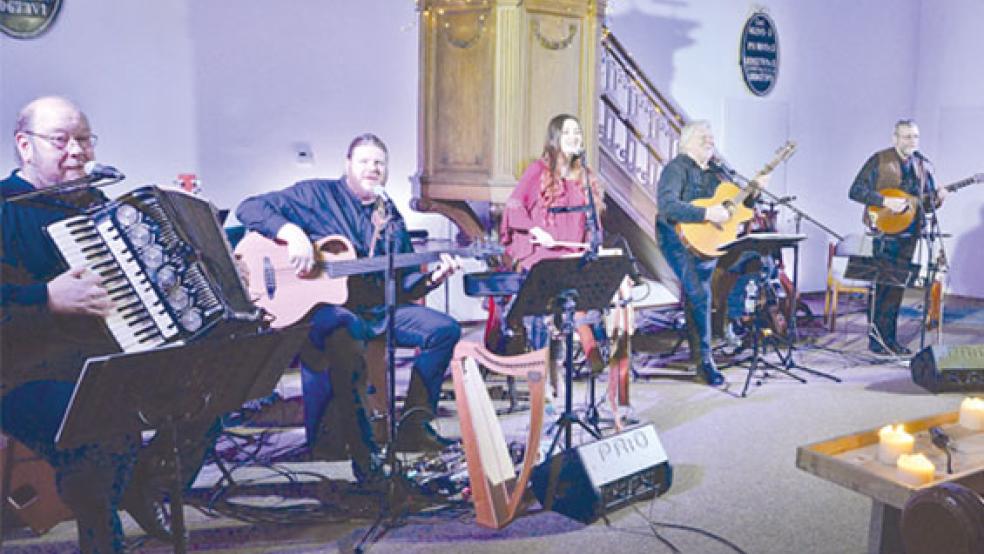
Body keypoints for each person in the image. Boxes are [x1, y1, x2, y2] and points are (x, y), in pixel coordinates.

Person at [0, 96, 171, 552]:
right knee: (102, 432)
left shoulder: (98, 204)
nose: (77, 151)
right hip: (23, 377)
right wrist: (45, 299)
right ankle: (102, 537)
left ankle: (139, 483)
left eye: (83, 139)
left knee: (207, 399)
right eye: (61, 140)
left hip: (108, 363)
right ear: (25, 145)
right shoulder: (2, 208)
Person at [236, 133, 462, 459]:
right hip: (332, 311)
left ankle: (415, 426)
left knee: (444, 330)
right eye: (365, 161)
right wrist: (292, 233)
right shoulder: (317, 195)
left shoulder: (390, 216)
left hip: (377, 311)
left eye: (379, 163)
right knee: (344, 329)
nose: (372, 168)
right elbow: (250, 208)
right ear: (348, 165)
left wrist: (432, 279)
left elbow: (402, 283)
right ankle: (357, 445)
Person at [655, 120, 769, 387]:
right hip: (676, 239)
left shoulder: (717, 173)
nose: (710, 140)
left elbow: (735, 206)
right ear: (687, 142)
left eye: (711, 136)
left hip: (709, 241)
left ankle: (734, 321)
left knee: (754, 260)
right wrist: (707, 213)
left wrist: (755, 190)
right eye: (702, 136)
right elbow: (667, 206)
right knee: (698, 293)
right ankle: (704, 362)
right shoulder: (677, 168)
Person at [500, 113, 606, 370]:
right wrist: (536, 230)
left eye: (577, 133)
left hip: (573, 255)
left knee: (590, 291)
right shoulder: (538, 170)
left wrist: (595, 243)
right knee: (545, 299)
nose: (573, 137)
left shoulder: (586, 175)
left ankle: (591, 355)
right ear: (555, 138)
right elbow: (513, 207)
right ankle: (542, 368)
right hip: (544, 255)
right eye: (567, 132)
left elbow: (593, 220)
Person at [848, 119, 946, 356]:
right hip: (883, 232)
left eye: (915, 137)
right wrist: (884, 201)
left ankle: (888, 339)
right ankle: (877, 339)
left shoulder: (921, 165)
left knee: (897, 288)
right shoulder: (879, 160)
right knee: (882, 287)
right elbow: (855, 191)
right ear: (895, 138)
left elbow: (925, 205)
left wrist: (939, 198)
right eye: (906, 136)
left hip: (910, 233)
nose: (911, 141)